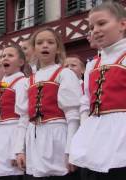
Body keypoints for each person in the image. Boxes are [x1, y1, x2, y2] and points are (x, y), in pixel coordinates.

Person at [15, 27, 82, 180]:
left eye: (50, 42)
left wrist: (70, 148)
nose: (45, 45)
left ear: (57, 49)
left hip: (58, 136)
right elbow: (23, 119)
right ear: (34, 49)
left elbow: (72, 115)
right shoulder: (28, 81)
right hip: (34, 138)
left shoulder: (64, 74)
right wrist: (19, 149)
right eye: (40, 43)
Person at [69, 2, 126, 180]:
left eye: (102, 23)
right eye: (92, 27)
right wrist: (86, 131)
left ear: (123, 24)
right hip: (97, 133)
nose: (95, 30)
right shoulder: (93, 64)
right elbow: (86, 101)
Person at [0, 44, 30, 179]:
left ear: (21, 62)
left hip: (13, 132)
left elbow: (24, 116)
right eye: (3, 55)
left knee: (10, 173)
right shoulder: (0, 84)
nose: (5, 58)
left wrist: (18, 150)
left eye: (10, 55)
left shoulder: (23, 82)